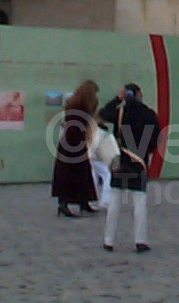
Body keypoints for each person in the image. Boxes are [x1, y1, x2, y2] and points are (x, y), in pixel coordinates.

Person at [101, 83, 160, 250]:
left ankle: (109, 240)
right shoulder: (149, 114)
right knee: (139, 201)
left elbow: (103, 114)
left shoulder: (120, 112)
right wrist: (145, 152)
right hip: (139, 161)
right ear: (139, 94)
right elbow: (155, 138)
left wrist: (116, 99)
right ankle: (140, 240)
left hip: (121, 160)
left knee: (114, 200)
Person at [51, 79, 99, 217]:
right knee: (73, 174)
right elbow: (75, 126)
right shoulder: (79, 106)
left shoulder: (74, 103)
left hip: (71, 143)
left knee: (76, 173)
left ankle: (80, 202)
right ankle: (68, 203)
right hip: (74, 143)